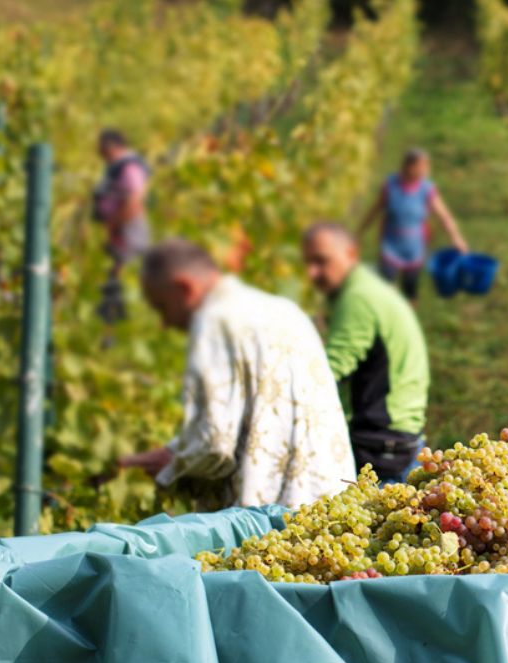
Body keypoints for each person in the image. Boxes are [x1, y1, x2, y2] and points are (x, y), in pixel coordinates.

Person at [118, 239, 355, 510]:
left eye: (162, 307)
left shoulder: (214, 321)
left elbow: (214, 443)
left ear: (184, 287)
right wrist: (174, 450)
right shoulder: (284, 310)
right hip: (331, 500)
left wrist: (168, 468)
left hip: (271, 518)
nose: (164, 322)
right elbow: (255, 411)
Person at [303, 222, 429, 483]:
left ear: (350, 253)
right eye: (308, 263)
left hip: (382, 442)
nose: (312, 273)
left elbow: (330, 371)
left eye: (321, 261)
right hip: (400, 434)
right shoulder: (369, 289)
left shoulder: (357, 299)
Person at [356, 148, 468, 302]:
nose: (425, 171)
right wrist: (359, 233)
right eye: (421, 167)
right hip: (390, 245)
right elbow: (375, 210)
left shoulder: (427, 190)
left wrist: (456, 238)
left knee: (410, 287)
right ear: (407, 166)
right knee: (386, 286)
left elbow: (444, 216)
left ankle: (409, 319)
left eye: (426, 167)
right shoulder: (390, 186)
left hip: (415, 246)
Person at [93, 128, 152, 331]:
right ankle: (111, 326)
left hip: (128, 232)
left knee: (123, 279)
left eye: (103, 152)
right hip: (120, 231)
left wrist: (115, 223)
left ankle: (122, 328)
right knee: (113, 279)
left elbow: (134, 201)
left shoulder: (130, 168)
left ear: (112, 147)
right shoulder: (118, 168)